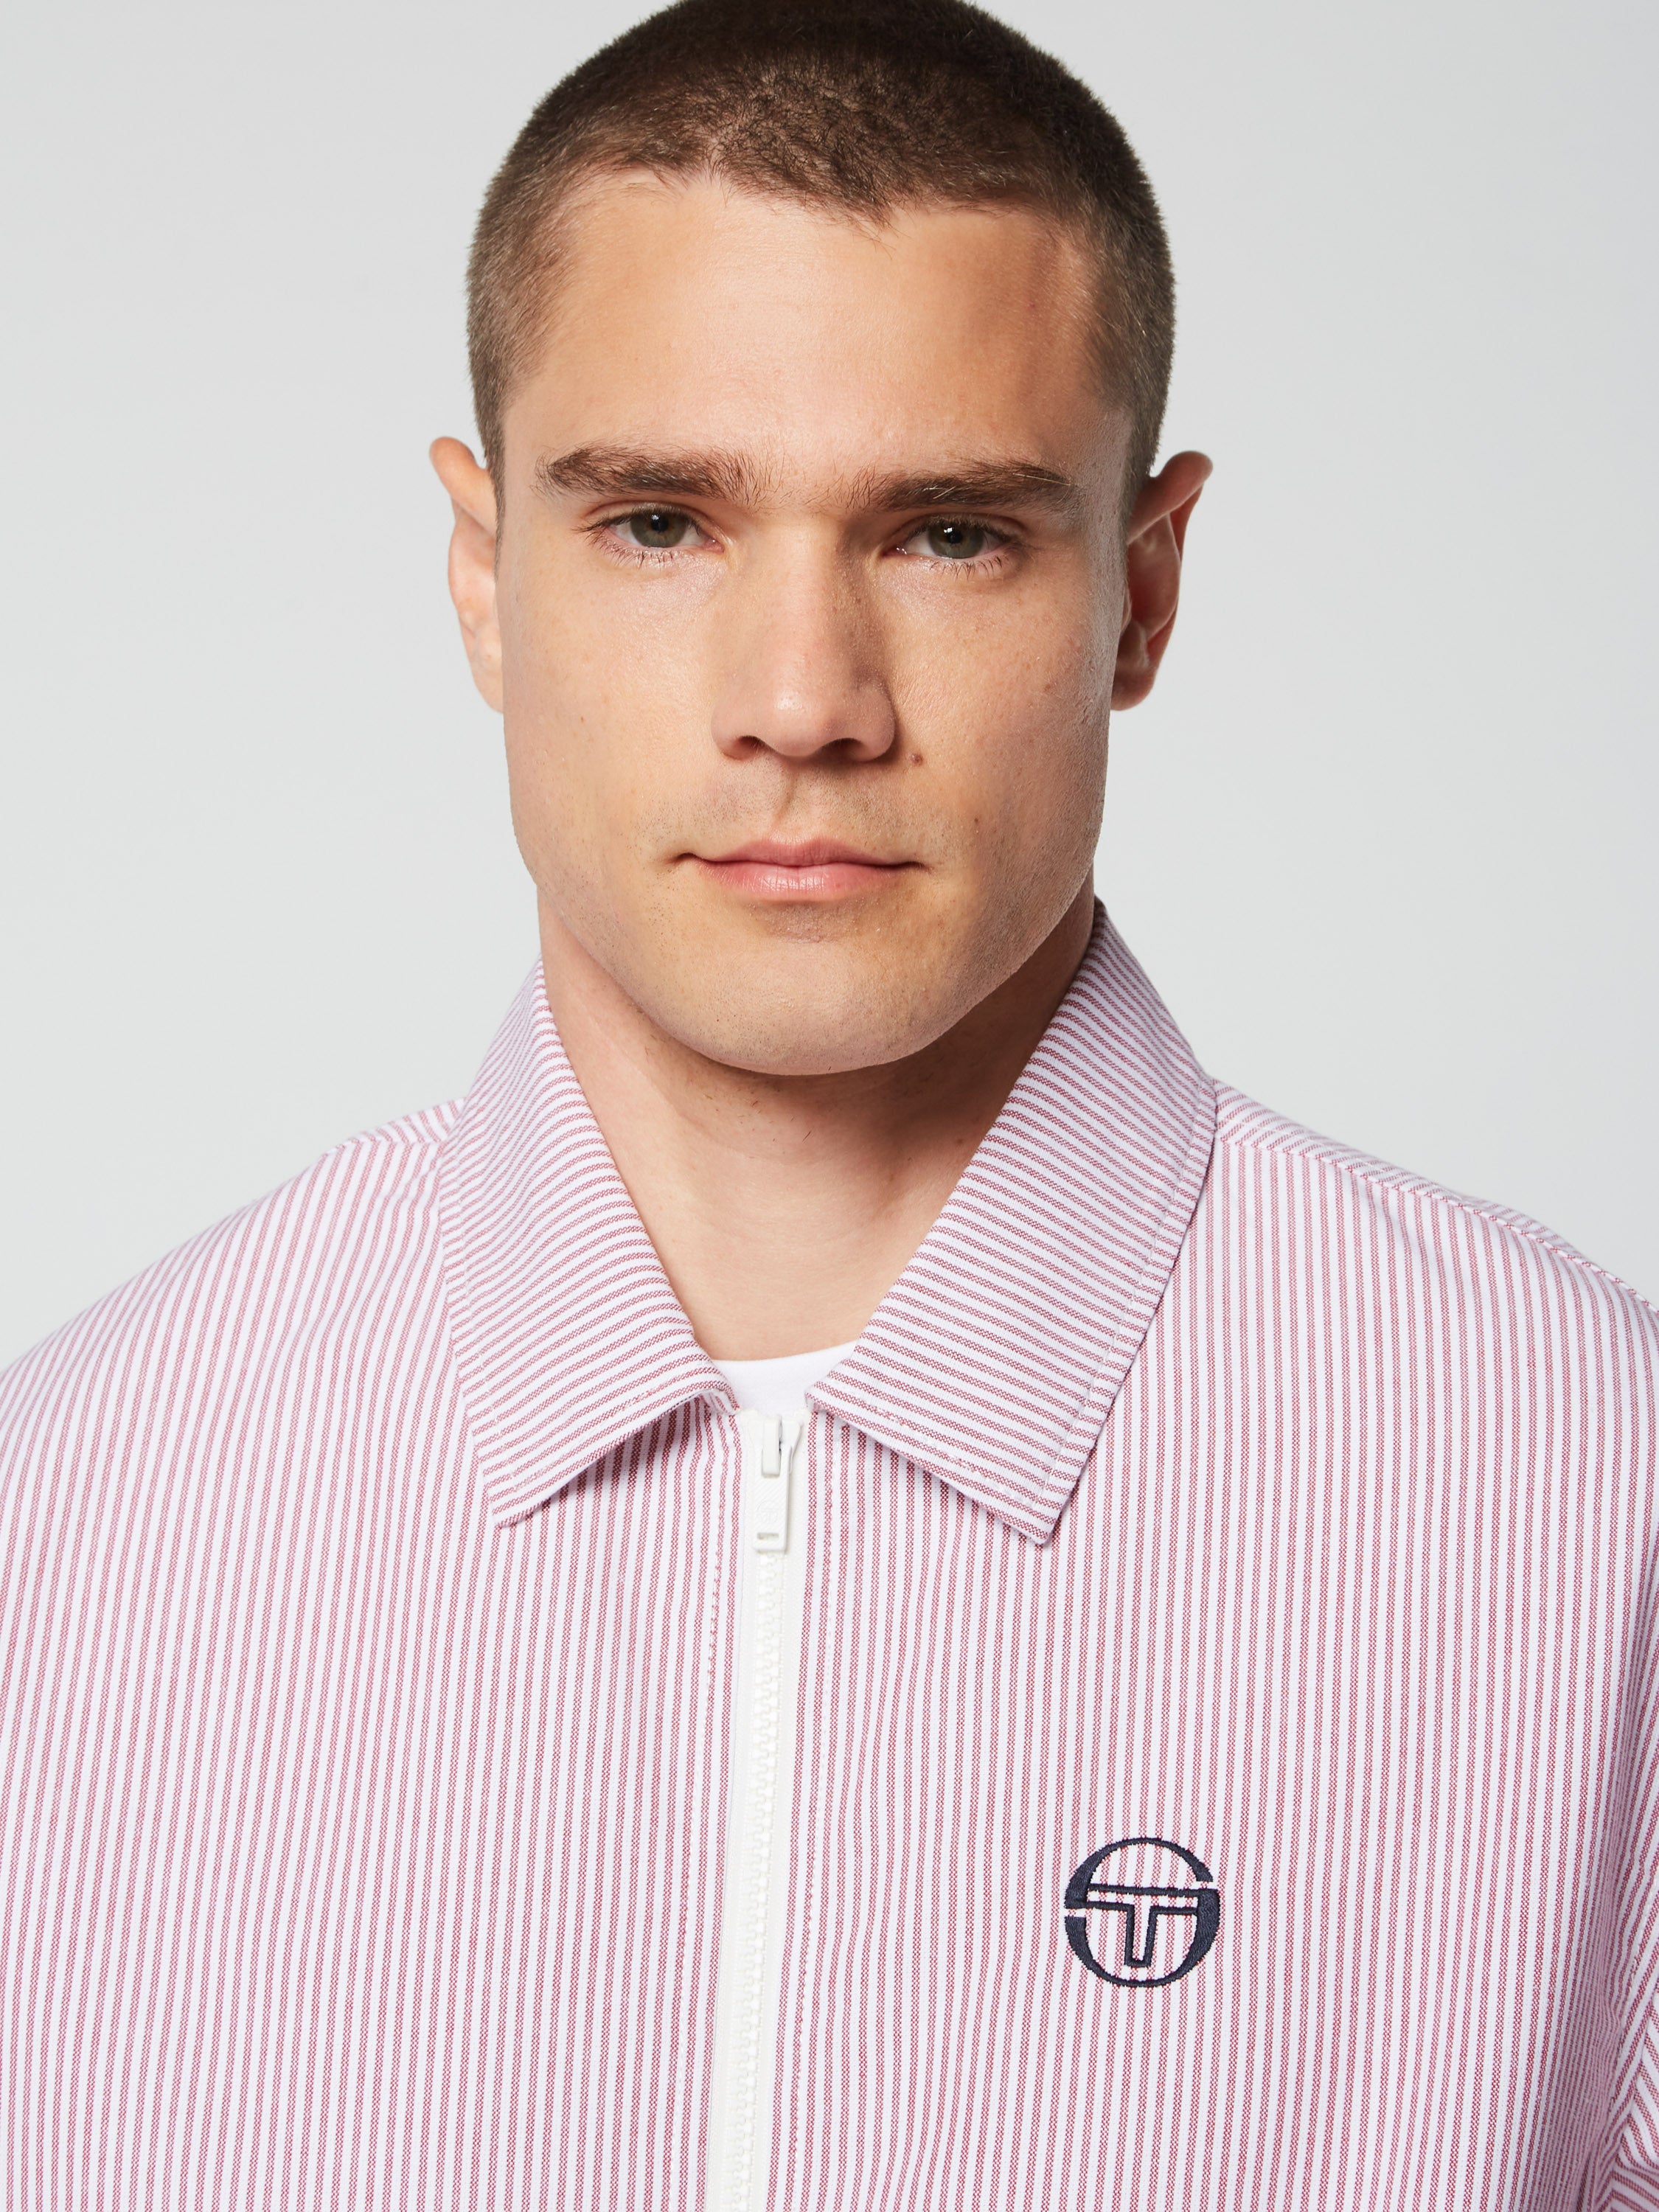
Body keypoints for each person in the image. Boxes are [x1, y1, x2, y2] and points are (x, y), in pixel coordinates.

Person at [1, 0, 1655, 2205]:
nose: (802, 703)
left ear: (1142, 586)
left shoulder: (1586, 1494)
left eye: (948, 534)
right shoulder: (67, 1525)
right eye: (660, 521)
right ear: (484, 576)